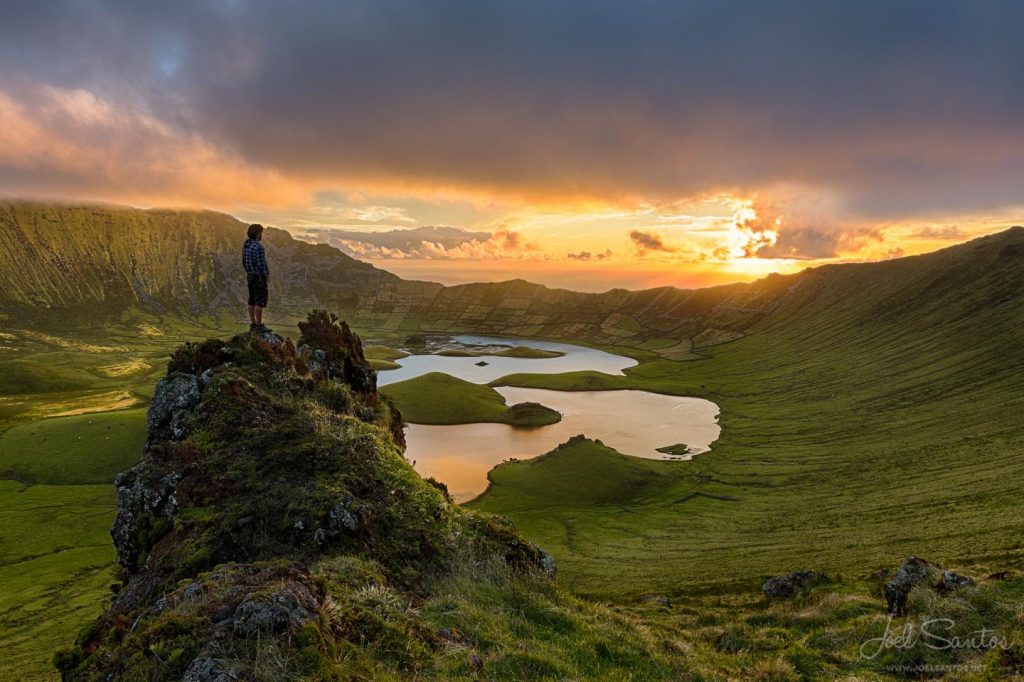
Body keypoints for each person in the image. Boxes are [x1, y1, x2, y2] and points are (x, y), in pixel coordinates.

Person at [242, 223, 271, 332]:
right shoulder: (258, 247)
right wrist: (266, 275)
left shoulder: (246, 245)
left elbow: (243, 261)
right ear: (258, 234)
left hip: (250, 275)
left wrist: (249, 272)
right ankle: (259, 326)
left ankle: (253, 324)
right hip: (259, 277)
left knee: (252, 300)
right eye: (261, 233)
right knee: (260, 301)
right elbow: (261, 264)